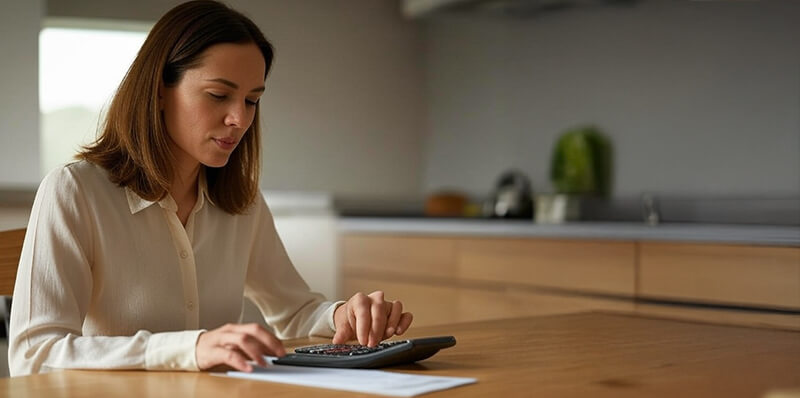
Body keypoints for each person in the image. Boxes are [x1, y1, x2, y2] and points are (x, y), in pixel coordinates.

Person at [8, 0, 412, 376]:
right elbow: (34, 354)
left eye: (252, 100)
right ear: (160, 91)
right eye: (219, 95)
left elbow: (293, 311)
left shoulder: (243, 202)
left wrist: (342, 316)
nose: (239, 118)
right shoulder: (74, 192)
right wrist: (191, 348)